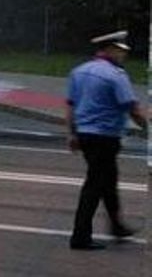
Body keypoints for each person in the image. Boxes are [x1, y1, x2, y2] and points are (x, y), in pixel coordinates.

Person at [66, 30, 148, 250]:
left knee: (108, 181)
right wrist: (146, 127)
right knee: (94, 184)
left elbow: (71, 105)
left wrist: (72, 133)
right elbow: (132, 107)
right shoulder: (116, 75)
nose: (123, 55)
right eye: (120, 51)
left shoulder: (79, 71)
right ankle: (80, 236)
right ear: (109, 50)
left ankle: (116, 226)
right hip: (105, 137)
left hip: (85, 135)